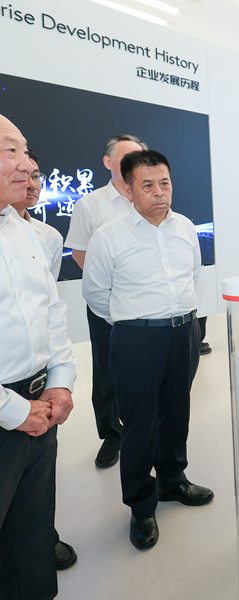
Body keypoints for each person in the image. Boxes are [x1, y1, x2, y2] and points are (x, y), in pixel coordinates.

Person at [83, 149, 213, 550]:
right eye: (148, 185)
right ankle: (141, 505)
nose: (159, 192)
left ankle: (173, 480)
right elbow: (96, 295)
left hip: (183, 333)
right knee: (139, 424)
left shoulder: (185, 227)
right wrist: (136, 322)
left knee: (176, 413)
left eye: (165, 183)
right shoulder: (109, 236)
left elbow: (193, 275)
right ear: (128, 190)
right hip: (136, 339)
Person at [0, 113, 77, 598]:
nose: (27, 165)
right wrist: (13, 410)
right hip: (11, 411)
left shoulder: (24, 230)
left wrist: (61, 379)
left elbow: (51, 311)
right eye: (11, 150)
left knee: (30, 543)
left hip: (39, 410)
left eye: (25, 152)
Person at [65, 134, 147, 469]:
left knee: (146, 368)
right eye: (126, 157)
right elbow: (79, 252)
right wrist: (107, 288)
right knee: (106, 370)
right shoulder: (91, 204)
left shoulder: (149, 196)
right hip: (106, 303)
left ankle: (144, 429)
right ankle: (112, 434)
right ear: (108, 162)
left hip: (146, 302)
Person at [10, 150, 63, 280]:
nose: (32, 185)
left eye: (36, 176)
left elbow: (49, 289)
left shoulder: (51, 236)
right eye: (22, 177)